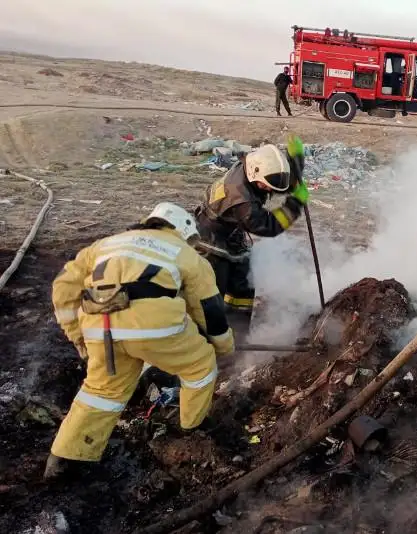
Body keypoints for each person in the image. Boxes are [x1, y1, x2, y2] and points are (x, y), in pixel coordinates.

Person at [45, 202, 234, 479]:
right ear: (183, 230)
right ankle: (190, 427)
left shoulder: (105, 244)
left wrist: (78, 336)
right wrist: (224, 346)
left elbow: (62, 289)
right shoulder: (186, 254)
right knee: (201, 366)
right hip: (155, 328)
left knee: (102, 391)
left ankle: (64, 458)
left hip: (100, 328)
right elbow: (209, 307)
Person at [193, 137, 309, 335]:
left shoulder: (252, 166)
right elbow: (268, 226)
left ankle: (237, 333)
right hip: (211, 242)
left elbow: (276, 181)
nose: (270, 190)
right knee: (213, 295)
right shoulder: (241, 199)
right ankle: (212, 340)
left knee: (243, 284)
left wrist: (296, 164)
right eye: (267, 186)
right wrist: (295, 205)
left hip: (231, 234)